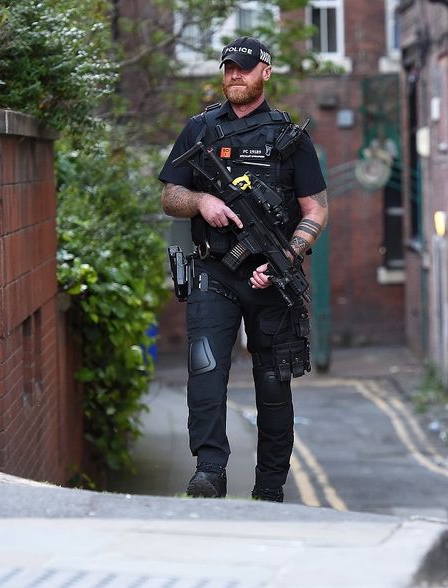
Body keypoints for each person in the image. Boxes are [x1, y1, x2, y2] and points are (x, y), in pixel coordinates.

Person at [158, 36, 328, 502]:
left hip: (272, 280)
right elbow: (170, 195)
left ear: (265, 73)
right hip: (215, 271)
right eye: (229, 67)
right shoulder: (199, 130)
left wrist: (287, 257)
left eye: (245, 68)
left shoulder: (289, 138)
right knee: (206, 372)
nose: (235, 74)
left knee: (273, 385)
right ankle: (209, 471)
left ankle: (269, 487)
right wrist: (201, 200)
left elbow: (315, 210)